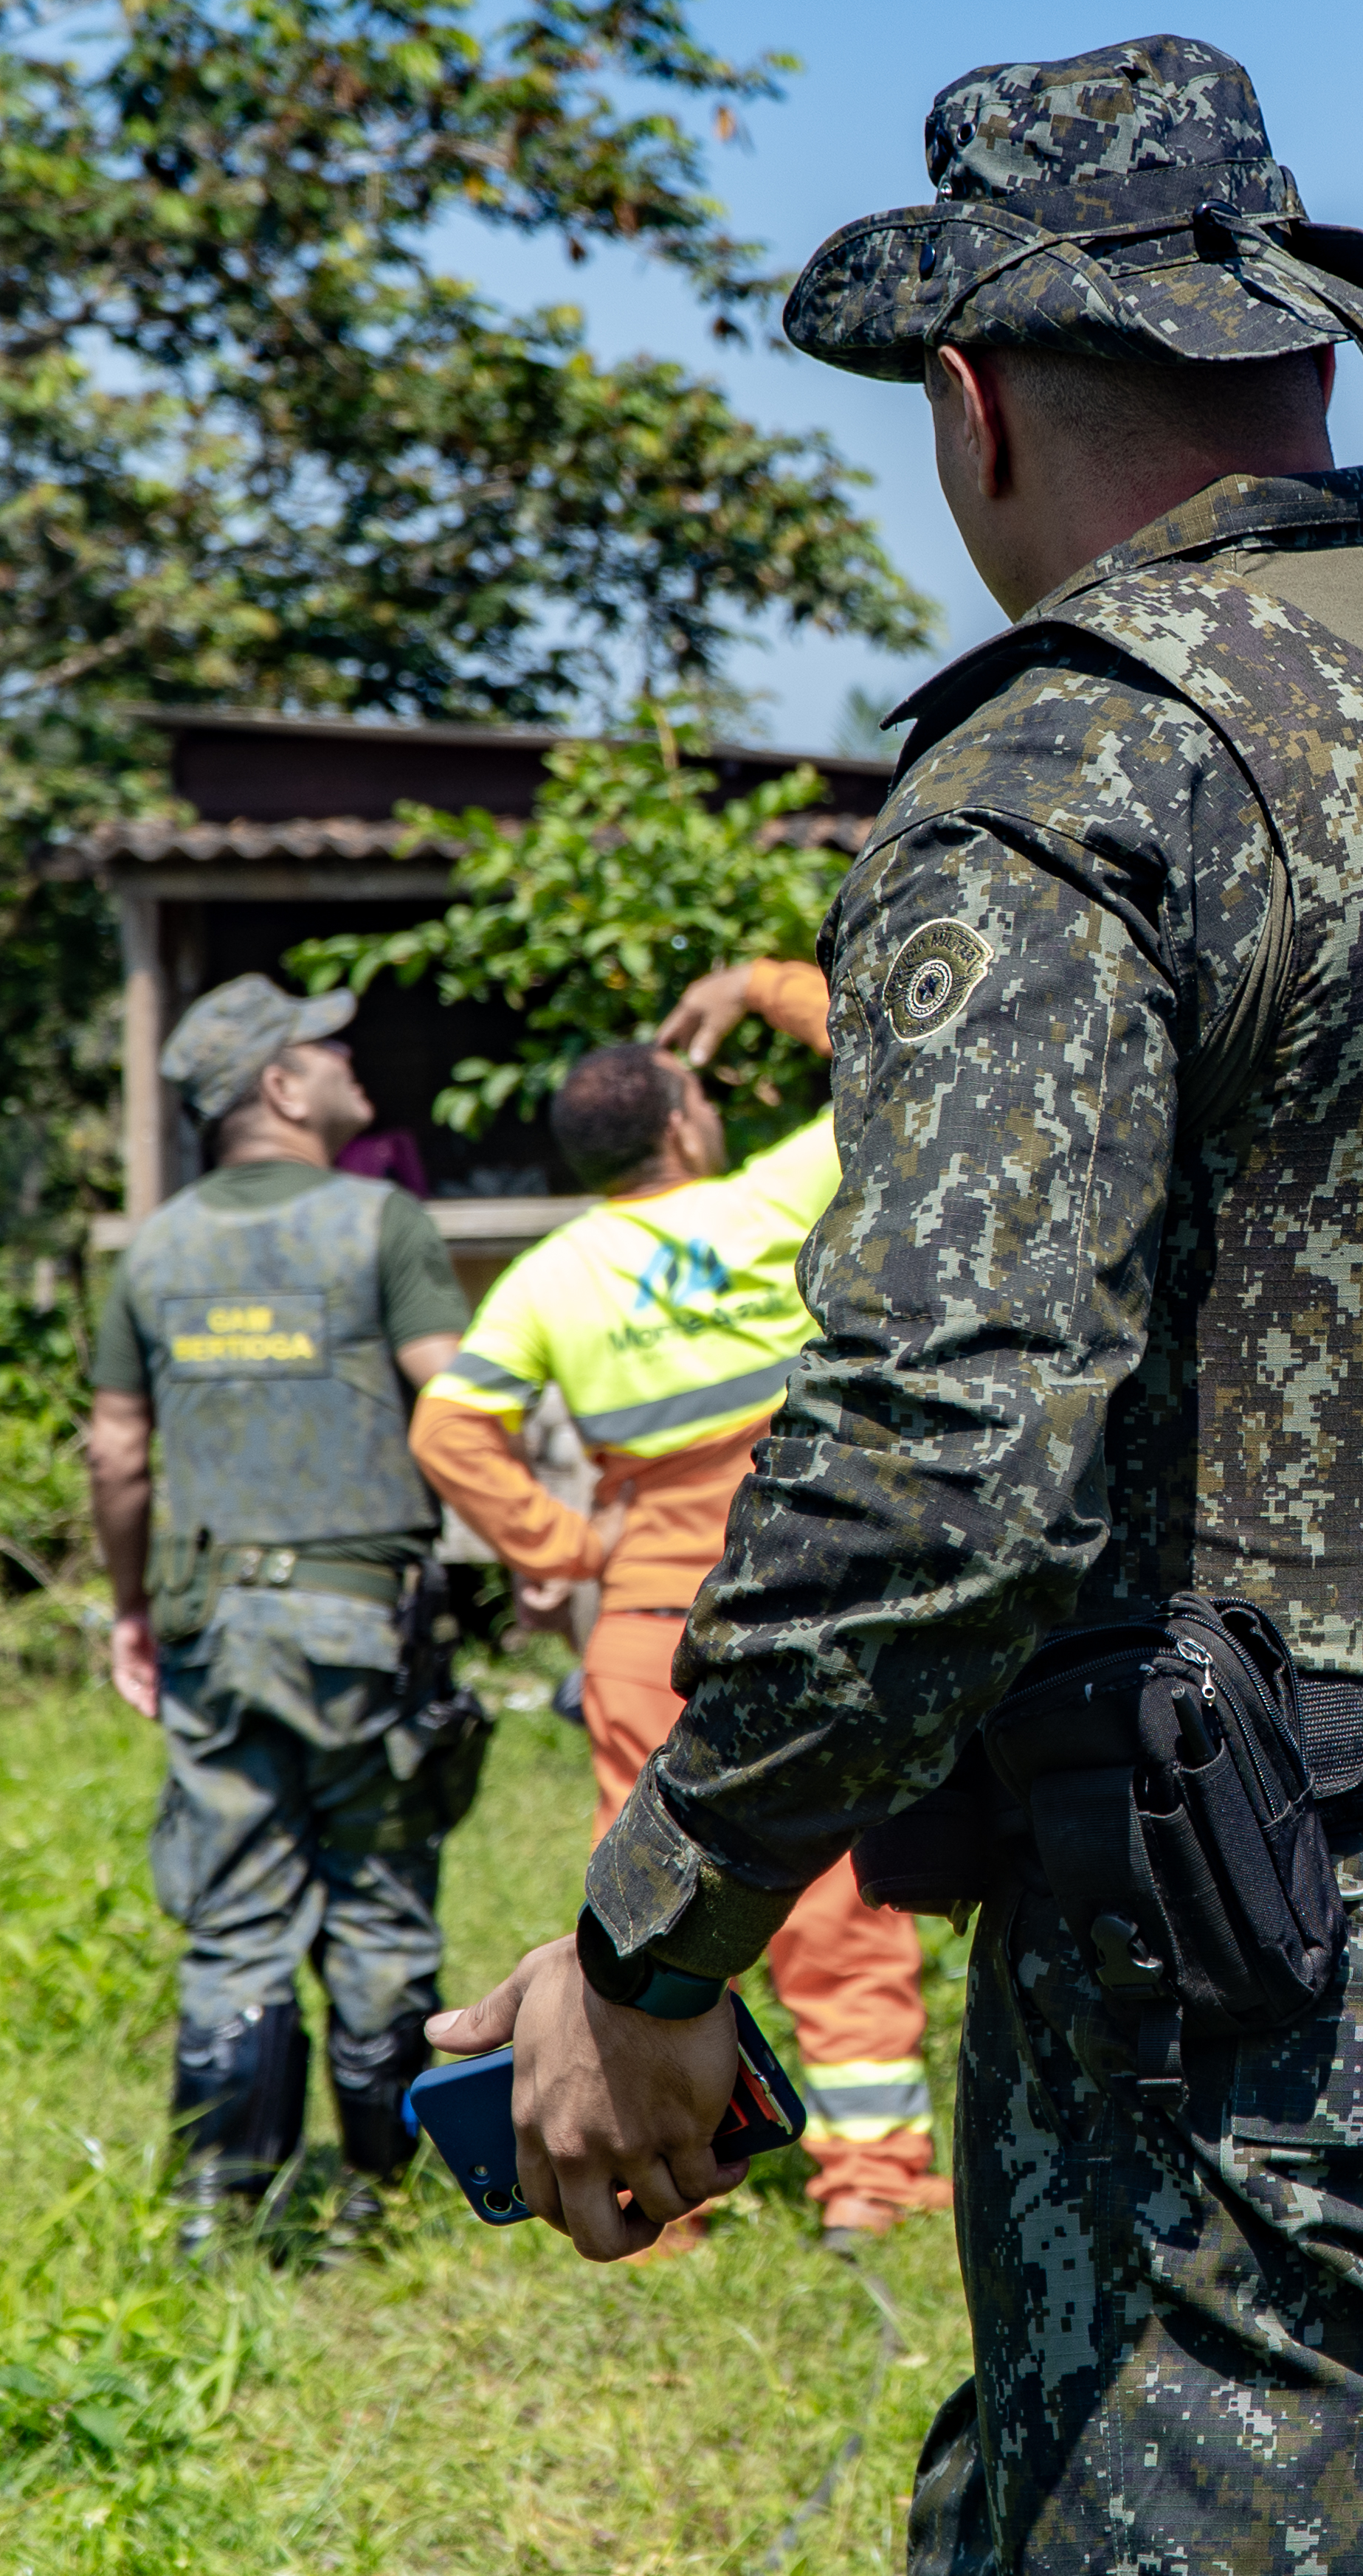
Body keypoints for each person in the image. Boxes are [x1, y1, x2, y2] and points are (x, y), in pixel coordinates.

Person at [428, 33, 1363, 2572]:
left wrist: (656, 1934)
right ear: (1289, 341)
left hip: (1237, 1989)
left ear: (971, 396)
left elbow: (943, 1459)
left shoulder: (1075, 772)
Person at [405, 960, 951, 2244]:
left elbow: (450, 1426)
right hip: (794, 1605)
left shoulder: (549, 1276)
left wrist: (568, 1545)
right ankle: (871, 2183)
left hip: (645, 1628)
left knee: (638, 1914)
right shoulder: (770, 1201)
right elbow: (912, 1046)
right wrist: (759, 986)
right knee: (830, 1904)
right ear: (685, 1125)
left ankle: (665, 2191)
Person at [86, 973, 474, 2256]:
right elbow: (455, 1407)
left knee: (236, 1910)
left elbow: (116, 1454)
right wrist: (545, 1556)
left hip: (212, 1627)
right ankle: (379, 2198)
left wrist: (132, 1608)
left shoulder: (154, 1247)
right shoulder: (380, 1222)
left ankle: (214, 2207)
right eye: (325, 1041)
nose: (350, 1052)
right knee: (377, 1902)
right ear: (280, 1085)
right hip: (364, 1631)